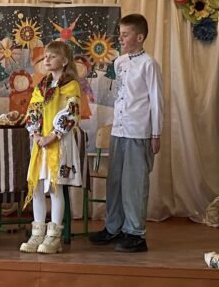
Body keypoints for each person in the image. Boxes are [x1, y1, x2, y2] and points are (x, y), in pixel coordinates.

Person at [89, 14, 162, 252]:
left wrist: (156, 133)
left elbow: (156, 100)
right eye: (119, 34)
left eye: (125, 35)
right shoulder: (119, 63)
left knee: (134, 183)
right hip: (119, 130)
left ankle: (136, 233)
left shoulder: (149, 64)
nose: (120, 39)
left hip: (138, 131)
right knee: (115, 182)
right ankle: (114, 227)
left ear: (139, 37)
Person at [20, 40, 82, 254]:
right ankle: (37, 233)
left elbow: (71, 113)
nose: (47, 59)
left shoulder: (71, 85)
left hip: (59, 142)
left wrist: (53, 136)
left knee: (55, 187)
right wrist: (36, 133)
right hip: (41, 143)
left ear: (64, 61)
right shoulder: (42, 86)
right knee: (37, 186)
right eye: (46, 56)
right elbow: (33, 110)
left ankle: (54, 236)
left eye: (52, 56)